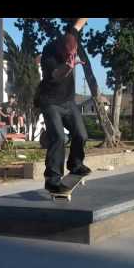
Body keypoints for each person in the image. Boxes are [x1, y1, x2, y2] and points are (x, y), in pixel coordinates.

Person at [37, 18, 91, 194]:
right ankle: (52, 179)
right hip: (50, 102)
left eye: (73, 53)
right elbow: (55, 76)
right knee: (59, 137)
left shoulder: (71, 36)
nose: (72, 56)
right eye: (68, 54)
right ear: (60, 48)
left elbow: (79, 23)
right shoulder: (48, 53)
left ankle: (75, 164)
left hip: (68, 101)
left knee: (81, 134)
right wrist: (67, 67)